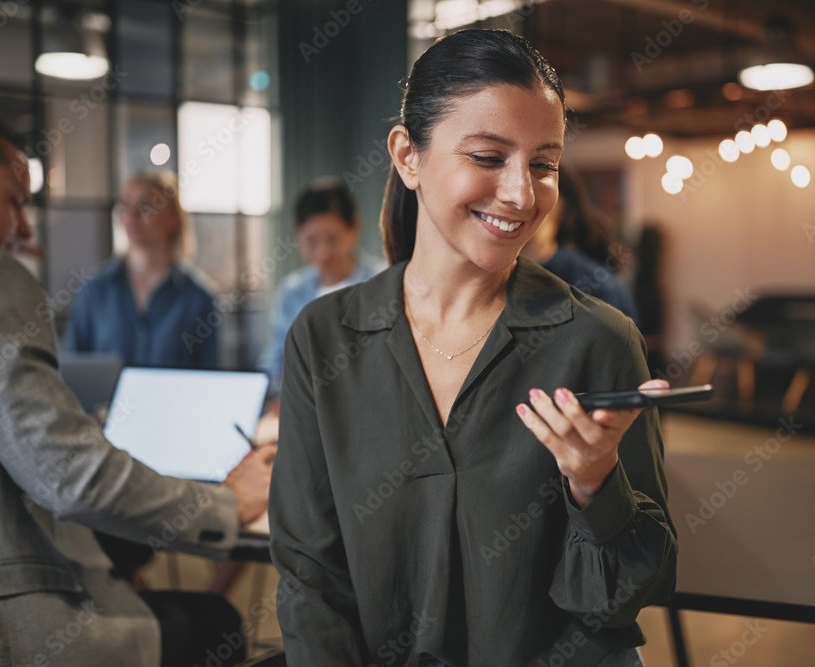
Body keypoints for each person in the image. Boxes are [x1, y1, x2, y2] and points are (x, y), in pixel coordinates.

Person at [269, 30, 677, 666]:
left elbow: (622, 601)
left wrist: (596, 485)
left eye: (543, 165)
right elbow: (309, 578)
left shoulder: (598, 341)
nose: (522, 194)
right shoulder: (324, 338)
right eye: (489, 158)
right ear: (408, 157)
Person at [0, 109, 275, 666]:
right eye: (13, 200)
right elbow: (68, 475)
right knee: (219, 625)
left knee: (124, 543)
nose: (26, 228)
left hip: (151, 451)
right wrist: (225, 504)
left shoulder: (197, 296)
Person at [63, 170, 219, 369]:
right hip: (104, 402)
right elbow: (72, 372)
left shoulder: (198, 299)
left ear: (173, 218)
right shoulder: (94, 290)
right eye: (125, 205)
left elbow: (207, 381)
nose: (131, 216)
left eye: (145, 206)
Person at [258, 176, 383, 394]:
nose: (323, 252)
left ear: (354, 227)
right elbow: (274, 364)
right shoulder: (291, 292)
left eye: (333, 239)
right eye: (311, 241)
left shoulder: (382, 283)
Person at [521, 166, 640, 325]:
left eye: (536, 188)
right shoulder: (490, 278)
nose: (521, 200)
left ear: (561, 206)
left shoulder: (597, 288)